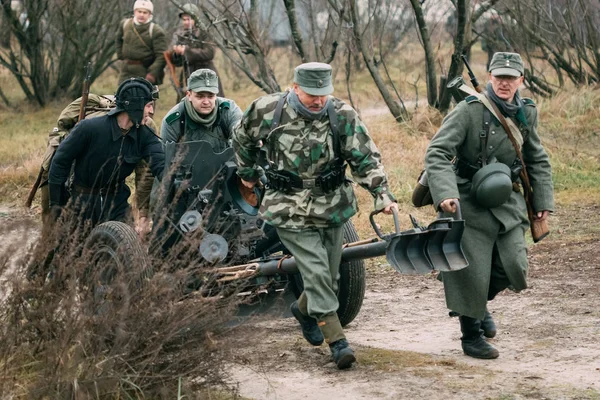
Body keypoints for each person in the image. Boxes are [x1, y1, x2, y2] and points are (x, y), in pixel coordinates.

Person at [232, 62, 398, 370]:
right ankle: (338, 343)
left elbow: (364, 157)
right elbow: (241, 137)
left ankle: (304, 309)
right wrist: (248, 174)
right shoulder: (268, 109)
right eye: (311, 95)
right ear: (295, 88)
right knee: (318, 273)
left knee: (330, 278)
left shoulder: (341, 114)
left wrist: (382, 195)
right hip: (288, 207)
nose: (318, 101)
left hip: (332, 206)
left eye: (323, 94)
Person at [424, 52, 554, 359]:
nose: (505, 83)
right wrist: (445, 193)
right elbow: (437, 152)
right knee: (471, 269)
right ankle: (471, 336)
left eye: (511, 78)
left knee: (514, 267)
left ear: (521, 80)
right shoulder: (468, 110)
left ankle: (478, 305)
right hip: (465, 198)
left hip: (506, 197)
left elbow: (537, 158)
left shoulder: (527, 112)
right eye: (499, 77)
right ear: (490, 78)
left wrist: (543, 201)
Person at [48, 78, 165, 228]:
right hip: (81, 203)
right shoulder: (89, 129)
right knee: (74, 250)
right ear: (134, 106)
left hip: (117, 204)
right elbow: (60, 162)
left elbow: (160, 164)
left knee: (126, 247)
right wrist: (57, 207)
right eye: (148, 106)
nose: (151, 111)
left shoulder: (145, 134)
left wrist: (176, 181)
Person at [161, 68, 241, 149]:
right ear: (189, 95)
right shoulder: (173, 121)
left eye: (211, 96)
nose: (206, 102)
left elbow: (242, 144)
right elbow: (165, 157)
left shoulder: (229, 110)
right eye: (200, 96)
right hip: (186, 161)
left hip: (226, 160)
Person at [168, 3, 224, 97]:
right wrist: (177, 54)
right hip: (188, 75)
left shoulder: (204, 32)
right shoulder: (180, 35)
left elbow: (209, 53)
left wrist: (187, 51)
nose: (186, 22)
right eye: (184, 19)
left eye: (189, 19)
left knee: (211, 103)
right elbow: (176, 63)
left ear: (195, 18)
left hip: (206, 74)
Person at [116, 0, 167, 85]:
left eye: (145, 12)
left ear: (150, 14)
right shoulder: (125, 24)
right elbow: (118, 39)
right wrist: (120, 55)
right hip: (125, 71)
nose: (141, 15)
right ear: (135, 11)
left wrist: (152, 74)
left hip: (144, 71)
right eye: (139, 11)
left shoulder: (155, 31)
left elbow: (161, 56)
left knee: (141, 96)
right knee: (122, 96)